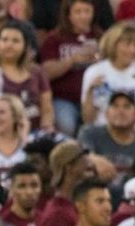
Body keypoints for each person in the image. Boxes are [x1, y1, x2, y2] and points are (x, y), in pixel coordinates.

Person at [40, 0, 102, 136]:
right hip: (63, 99)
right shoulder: (55, 38)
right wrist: (71, 61)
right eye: (78, 12)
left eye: (87, 11)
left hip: (95, 98)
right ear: (69, 15)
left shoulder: (100, 37)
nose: (83, 16)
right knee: (66, 125)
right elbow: (46, 72)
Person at [81, 21, 135, 127]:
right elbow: (88, 119)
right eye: (127, 45)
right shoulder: (95, 72)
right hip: (102, 130)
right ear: (113, 45)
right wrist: (90, 91)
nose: (132, 50)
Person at [80, 91, 135, 170]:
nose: (120, 111)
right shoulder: (90, 134)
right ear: (106, 113)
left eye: (127, 106)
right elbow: (83, 154)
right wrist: (94, 160)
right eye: (115, 106)